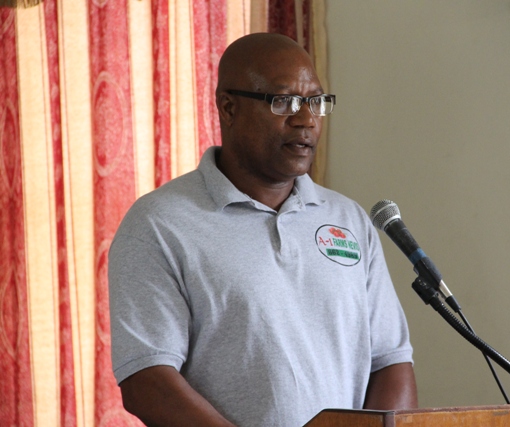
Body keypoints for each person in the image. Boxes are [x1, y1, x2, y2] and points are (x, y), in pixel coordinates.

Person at [108, 33, 418, 427]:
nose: (306, 119)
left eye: (316, 102)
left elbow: (390, 361)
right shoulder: (160, 223)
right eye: (284, 101)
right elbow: (147, 380)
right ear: (228, 107)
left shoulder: (347, 220)